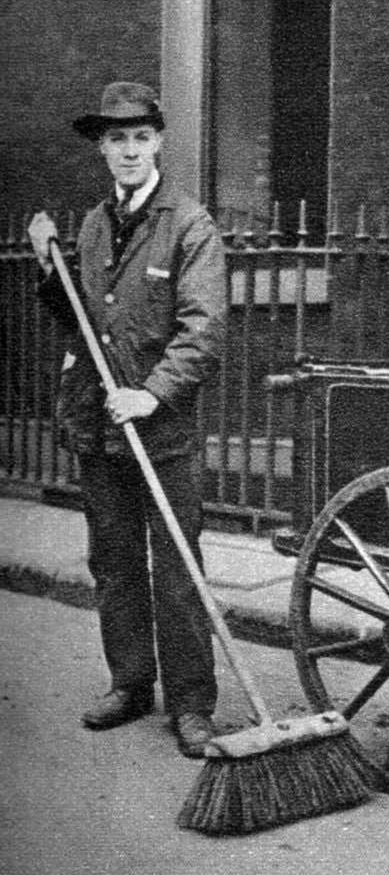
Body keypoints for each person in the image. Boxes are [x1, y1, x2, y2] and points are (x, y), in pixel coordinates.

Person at [28, 81, 227, 758]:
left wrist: (152, 394)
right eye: (117, 139)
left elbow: (202, 330)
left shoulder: (190, 224)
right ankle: (131, 683)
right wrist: (49, 267)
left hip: (160, 431)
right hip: (97, 423)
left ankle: (194, 705)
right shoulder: (91, 225)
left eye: (141, 137)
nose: (130, 150)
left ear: (159, 142)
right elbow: (82, 320)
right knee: (113, 561)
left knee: (177, 567)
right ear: (103, 149)